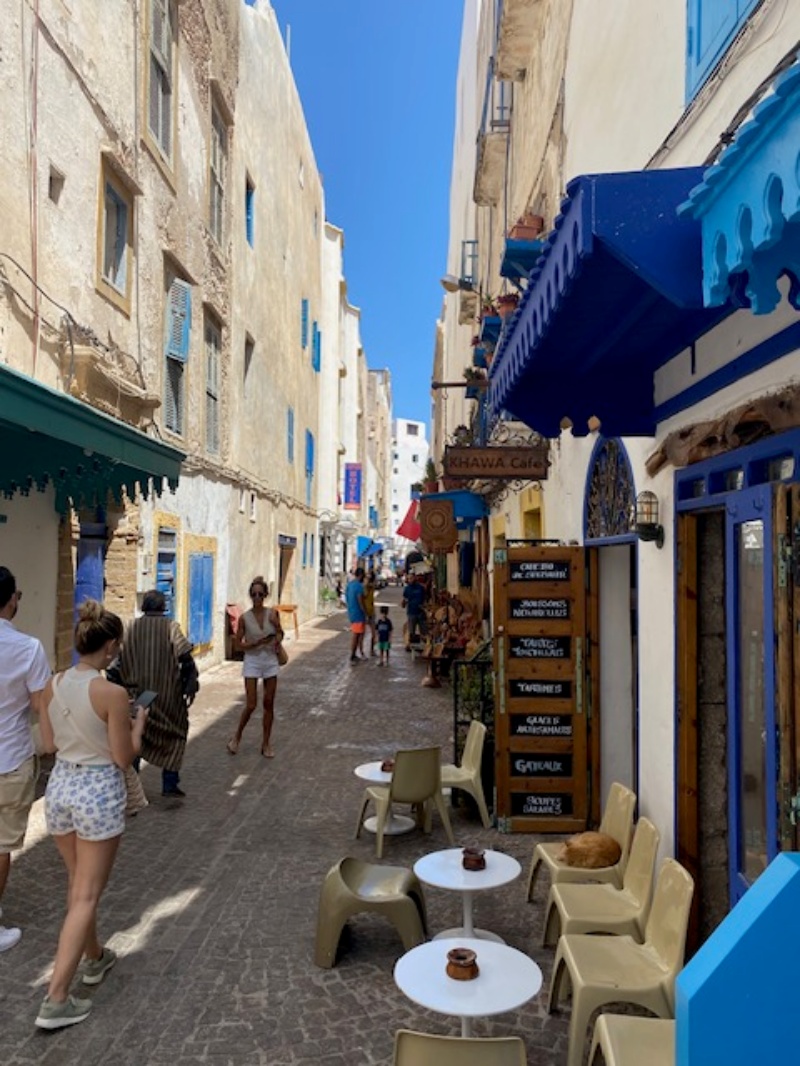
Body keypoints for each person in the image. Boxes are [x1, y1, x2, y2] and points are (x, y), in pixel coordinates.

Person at [35, 599, 147, 1030]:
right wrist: (137, 725)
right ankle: (56, 998)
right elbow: (123, 757)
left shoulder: (53, 683)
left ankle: (95, 957)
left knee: (79, 884)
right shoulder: (111, 693)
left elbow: (49, 744)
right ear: (111, 645)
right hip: (97, 791)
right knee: (85, 894)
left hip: (61, 786)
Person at [0, 566, 51, 952]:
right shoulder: (28, 648)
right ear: (11, 600)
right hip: (10, 758)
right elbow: (39, 706)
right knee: (1, 846)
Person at [115, 590, 198, 798]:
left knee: (137, 734)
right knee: (175, 734)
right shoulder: (171, 627)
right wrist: (190, 685)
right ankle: (170, 782)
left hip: (138, 695)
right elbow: (186, 659)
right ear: (163, 606)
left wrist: (120, 691)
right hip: (166, 695)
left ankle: (132, 783)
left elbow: (115, 666)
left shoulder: (130, 628)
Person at [228, 577, 283, 757]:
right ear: (250, 596)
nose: (257, 597)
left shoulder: (272, 614)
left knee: (269, 703)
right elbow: (238, 645)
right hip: (252, 660)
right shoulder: (245, 618)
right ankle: (236, 737)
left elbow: (280, 634)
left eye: (260, 594)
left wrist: (277, 631)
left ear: (265, 595)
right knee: (251, 704)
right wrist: (252, 644)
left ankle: (266, 743)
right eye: (254, 594)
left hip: (270, 660)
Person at [345, 567, 367, 663]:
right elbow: (360, 601)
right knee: (357, 635)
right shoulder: (359, 586)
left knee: (357, 634)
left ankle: (354, 654)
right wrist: (365, 612)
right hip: (358, 614)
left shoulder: (349, 585)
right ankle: (353, 655)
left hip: (351, 613)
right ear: (361, 575)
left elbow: (346, 598)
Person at [402, 573, 428, 650]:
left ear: (415, 578)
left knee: (424, 631)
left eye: (412, 578)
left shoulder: (421, 588)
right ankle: (411, 646)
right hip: (411, 612)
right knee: (411, 631)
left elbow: (425, 598)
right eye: (409, 578)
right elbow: (404, 599)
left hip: (421, 613)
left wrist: (425, 607)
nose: (410, 580)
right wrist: (403, 603)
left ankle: (425, 647)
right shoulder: (407, 589)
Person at [363, 573, 377, 656]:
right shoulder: (363, 589)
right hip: (364, 612)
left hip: (371, 612)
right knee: (362, 634)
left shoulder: (371, 588)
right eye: (366, 579)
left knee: (373, 633)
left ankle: (372, 650)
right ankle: (361, 650)